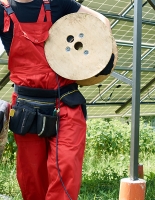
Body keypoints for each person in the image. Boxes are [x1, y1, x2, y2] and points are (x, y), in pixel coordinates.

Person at [0, 0, 113, 199]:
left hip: (65, 103)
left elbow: (103, 21)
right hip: (26, 108)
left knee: (66, 167)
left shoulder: (58, 3)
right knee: (32, 177)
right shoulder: (1, 10)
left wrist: (103, 56)